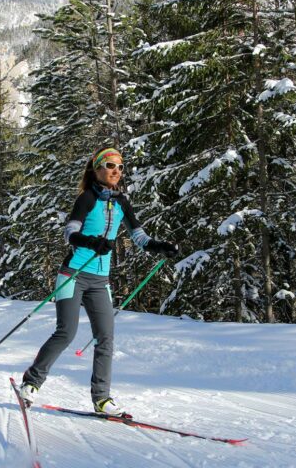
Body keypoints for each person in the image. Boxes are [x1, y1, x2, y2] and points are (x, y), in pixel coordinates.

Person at [18, 147, 178, 415]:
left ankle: (101, 399)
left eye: (120, 167)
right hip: (73, 275)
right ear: (97, 169)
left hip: (99, 280)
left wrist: (159, 246)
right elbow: (70, 233)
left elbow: (139, 237)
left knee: (105, 338)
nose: (116, 171)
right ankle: (31, 382)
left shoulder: (122, 203)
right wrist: (90, 242)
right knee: (66, 332)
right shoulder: (87, 198)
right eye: (110, 165)